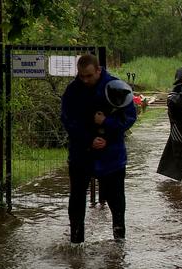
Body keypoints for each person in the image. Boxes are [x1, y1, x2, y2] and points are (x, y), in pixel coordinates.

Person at [61, 54, 136, 243]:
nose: (85, 80)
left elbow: (129, 118)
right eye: (81, 76)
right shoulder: (73, 90)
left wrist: (107, 125)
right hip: (81, 153)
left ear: (98, 70)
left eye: (89, 76)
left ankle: (119, 243)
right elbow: (68, 120)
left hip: (111, 155)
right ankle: (76, 243)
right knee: (77, 199)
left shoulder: (116, 87)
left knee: (116, 201)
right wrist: (88, 140)